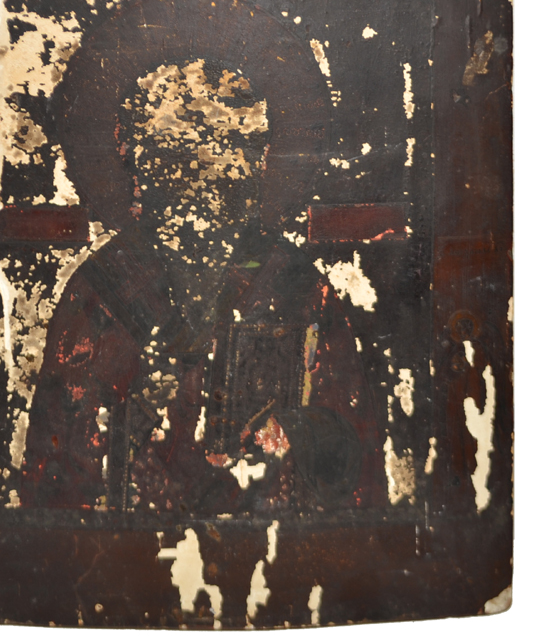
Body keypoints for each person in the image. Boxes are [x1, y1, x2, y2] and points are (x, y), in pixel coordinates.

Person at [21, 59, 382, 516]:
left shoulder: (295, 286)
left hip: (265, 542)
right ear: (141, 168)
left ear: (257, 166)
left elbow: (351, 444)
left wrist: (293, 431)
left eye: (232, 152)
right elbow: (57, 457)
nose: (206, 176)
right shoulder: (104, 287)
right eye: (176, 156)